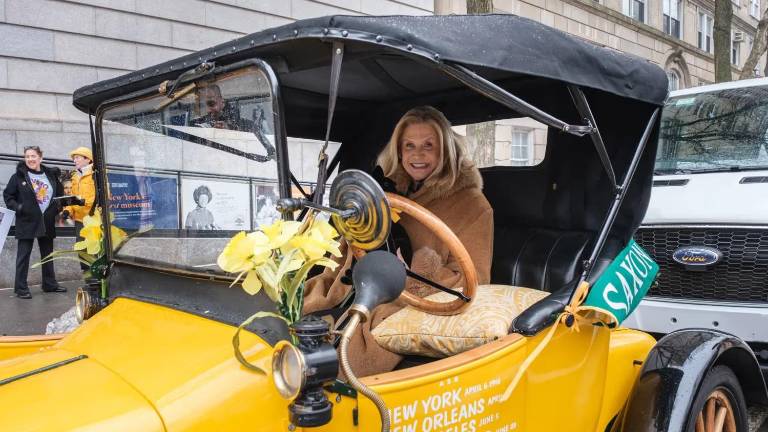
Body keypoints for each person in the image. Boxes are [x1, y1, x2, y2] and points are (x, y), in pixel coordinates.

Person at [303, 106, 494, 377]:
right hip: (355, 284)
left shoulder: (473, 205)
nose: (418, 155)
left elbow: (476, 279)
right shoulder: (384, 192)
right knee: (298, 315)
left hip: (414, 299)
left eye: (429, 145)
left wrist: (416, 270)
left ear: (445, 151)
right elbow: (349, 249)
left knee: (348, 350)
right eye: (410, 146)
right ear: (399, 151)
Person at [3, 146, 66, 299]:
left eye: (33, 156)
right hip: (27, 221)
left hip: (47, 220)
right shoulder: (19, 176)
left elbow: (59, 195)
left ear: (40, 158)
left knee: (48, 254)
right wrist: (19, 207)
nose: (30, 159)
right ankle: (21, 288)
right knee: (23, 255)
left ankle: (49, 284)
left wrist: (56, 209)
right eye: (27, 156)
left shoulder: (51, 175)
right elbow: (8, 196)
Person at [64, 147, 96, 269]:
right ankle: (88, 279)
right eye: (74, 158)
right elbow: (73, 197)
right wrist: (67, 210)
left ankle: (97, 281)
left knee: (93, 249)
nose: (74, 161)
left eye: (77, 158)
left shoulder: (96, 175)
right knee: (81, 250)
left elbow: (104, 195)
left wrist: (84, 202)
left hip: (93, 219)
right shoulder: (75, 177)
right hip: (79, 221)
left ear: (88, 159)